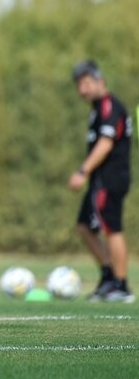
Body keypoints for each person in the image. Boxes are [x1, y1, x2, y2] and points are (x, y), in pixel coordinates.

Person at [67, 59, 134, 303]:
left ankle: (121, 285)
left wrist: (82, 171)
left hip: (110, 179)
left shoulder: (109, 106)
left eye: (86, 83)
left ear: (100, 81)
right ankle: (108, 276)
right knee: (84, 225)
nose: (82, 90)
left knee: (112, 228)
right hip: (100, 181)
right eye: (78, 85)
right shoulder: (97, 108)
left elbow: (105, 144)